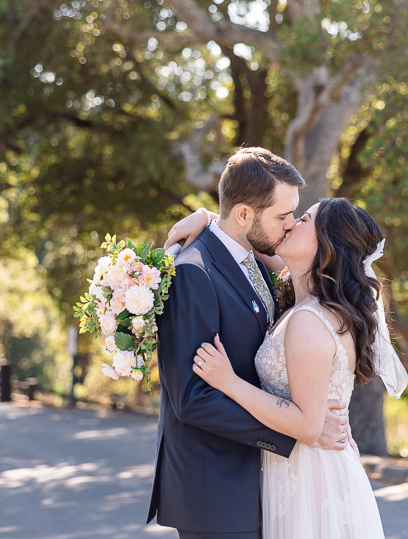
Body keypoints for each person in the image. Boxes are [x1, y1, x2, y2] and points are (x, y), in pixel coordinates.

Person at [147, 147, 352, 539]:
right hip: (216, 492)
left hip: (256, 484)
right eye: (282, 216)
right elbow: (192, 399)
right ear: (244, 215)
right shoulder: (194, 273)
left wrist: (208, 216)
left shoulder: (253, 258)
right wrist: (298, 431)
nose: (290, 224)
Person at [188, 197, 407, 538]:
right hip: (300, 467)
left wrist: (228, 382)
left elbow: (307, 425)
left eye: (304, 219)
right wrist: (206, 217)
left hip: (310, 477)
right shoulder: (306, 300)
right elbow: (246, 235)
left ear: (326, 246)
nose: (290, 223)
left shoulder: (310, 319)